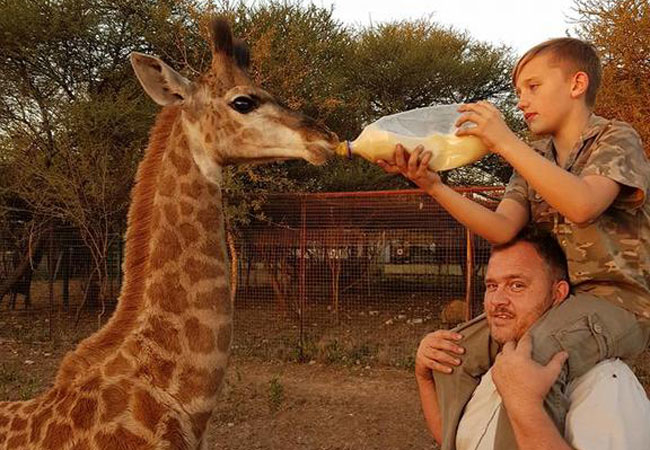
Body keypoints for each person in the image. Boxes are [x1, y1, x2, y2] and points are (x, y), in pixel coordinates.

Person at [378, 37, 650, 448]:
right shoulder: (535, 156)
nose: (522, 100)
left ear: (577, 84)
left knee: (527, 364)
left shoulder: (615, 137)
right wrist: (433, 185)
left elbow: (583, 205)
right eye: (519, 90)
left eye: (533, 87)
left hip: (618, 305)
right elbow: (502, 228)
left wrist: (505, 142)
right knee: (451, 355)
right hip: (554, 301)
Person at [415, 227, 650, 449]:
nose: (497, 301)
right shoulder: (500, 363)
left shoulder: (606, 385)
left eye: (517, 285)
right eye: (492, 286)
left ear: (558, 293)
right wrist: (424, 376)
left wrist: (527, 408)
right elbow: (457, 439)